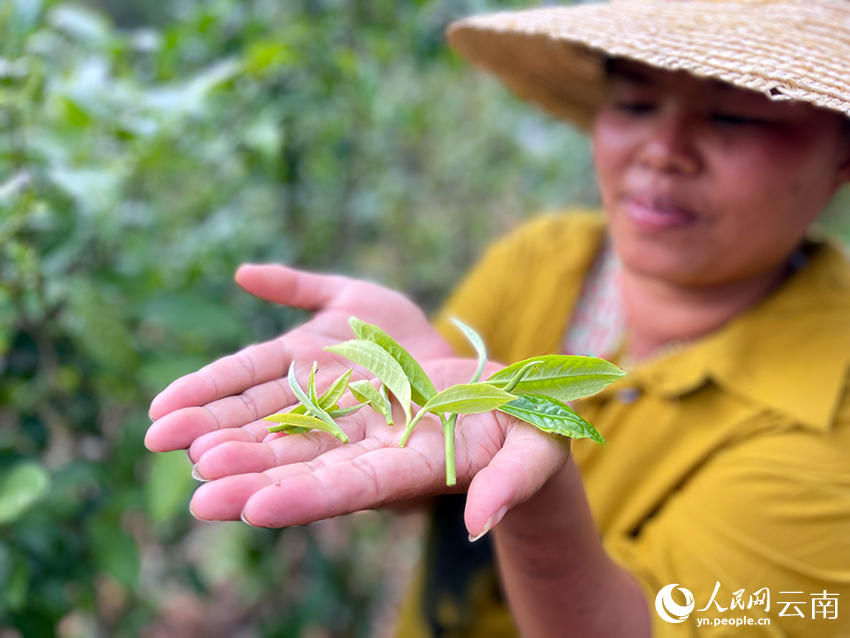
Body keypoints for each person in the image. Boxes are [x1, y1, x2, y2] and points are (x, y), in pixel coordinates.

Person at [145, 1, 850, 636]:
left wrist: (537, 496)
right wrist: (403, 400)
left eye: (734, 117)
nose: (661, 152)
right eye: (634, 104)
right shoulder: (543, 258)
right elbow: (413, 469)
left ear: (841, 154)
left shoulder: (829, 413)